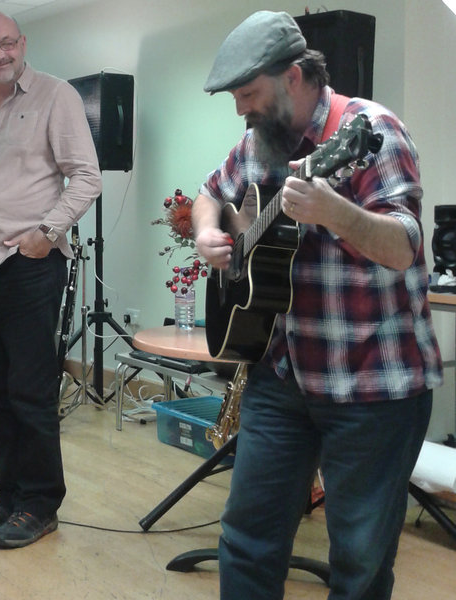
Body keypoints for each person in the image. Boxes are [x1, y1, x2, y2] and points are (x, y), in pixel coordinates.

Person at [192, 11, 443, 600]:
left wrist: (336, 213)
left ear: (295, 77)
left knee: (358, 562)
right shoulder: (259, 141)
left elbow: (405, 246)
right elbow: (209, 193)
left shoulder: (373, 131)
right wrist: (208, 234)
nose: (240, 110)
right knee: (246, 539)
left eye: (248, 94)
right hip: (282, 376)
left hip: (373, 385)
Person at [0, 11, 102, 549]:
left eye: (7, 43)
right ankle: (9, 492)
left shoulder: (57, 96)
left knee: (30, 392)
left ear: (23, 43)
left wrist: (47, 232)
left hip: (29, 264)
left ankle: (39, 502)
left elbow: (87, 176)